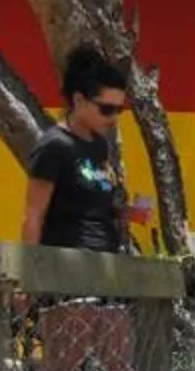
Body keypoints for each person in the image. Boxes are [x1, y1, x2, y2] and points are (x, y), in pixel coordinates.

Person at [21, 47, 151, 253]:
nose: (113, 118)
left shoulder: (98, 145)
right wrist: (32, 271)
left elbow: (93, 206)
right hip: (67, 261)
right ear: (79, 100)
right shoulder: (54, 146)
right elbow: (34, 214)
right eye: (106, 109)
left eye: (119, 110)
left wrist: (127, 212)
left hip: (105, 261)